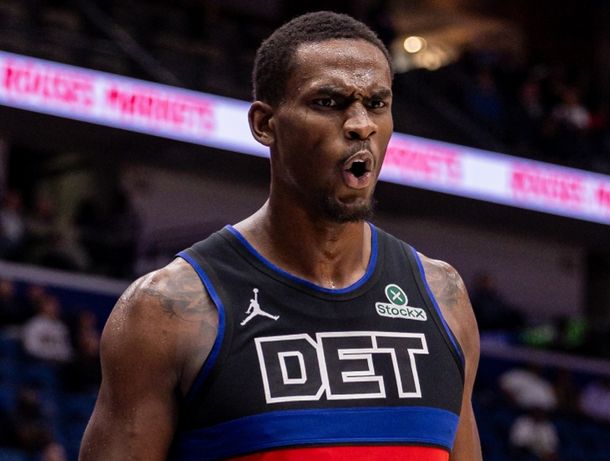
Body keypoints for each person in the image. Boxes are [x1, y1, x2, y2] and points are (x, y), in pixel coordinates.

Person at [79, 11, 482, 461]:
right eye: (328, 102)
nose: (361, 124)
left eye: (376, 104)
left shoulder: (442, 297)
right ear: (265, 124)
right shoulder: (165, 310)